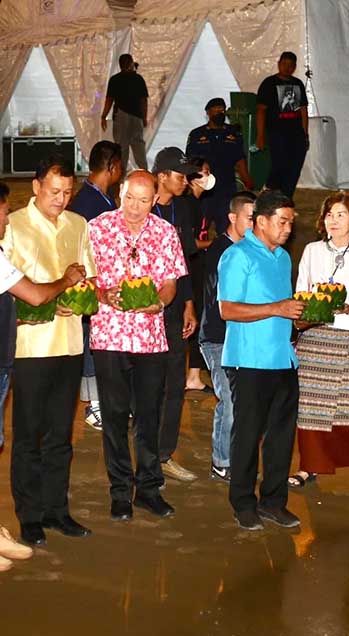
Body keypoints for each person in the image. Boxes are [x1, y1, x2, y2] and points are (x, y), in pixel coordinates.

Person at [1, 156, 97, 546]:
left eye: (67, 192)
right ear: (37, 186)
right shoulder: (12, 226)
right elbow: (8, 291)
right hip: (30, 347)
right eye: (54, 191)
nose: (61, 199)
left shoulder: (78, 224)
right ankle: (29, 515)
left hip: (70, 343)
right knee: (28, 435)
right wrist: (49, 300)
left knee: (62, 433)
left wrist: (80, 297)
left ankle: (58, 510)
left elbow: (88, 276)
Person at [89, 170, 186, 521]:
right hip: (109, 335)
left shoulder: (165, 232)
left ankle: (148, 489)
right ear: (120, 193)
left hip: (150, 337)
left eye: (144, 201)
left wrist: (160, 303)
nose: (135, 207)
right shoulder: (97, 228)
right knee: (114, 415)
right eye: (130, 198)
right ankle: (120, 492)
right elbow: (84, 278)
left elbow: (171, 283)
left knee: (149, 414)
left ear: (155, 200)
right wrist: (103, 294)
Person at [219, 190, 304, 531]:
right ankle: (242, 502)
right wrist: (277, 308)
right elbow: (228, 309)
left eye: (290, 223)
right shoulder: (237, 256)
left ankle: (273, 502)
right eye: (282, 222)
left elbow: (284, 310)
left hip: (283, 358)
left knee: (281, 437)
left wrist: (302, 316)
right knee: (247, 434)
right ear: (262, 221)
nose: (288, 229)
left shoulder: (282, 258)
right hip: (249, 360)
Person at [287, 191, 349, 489]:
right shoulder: (312, 250)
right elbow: (302, 291)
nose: (334, 220)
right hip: (315, 336)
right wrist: (311, 312)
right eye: (329, 215)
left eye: (341, 214)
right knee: (311, 403)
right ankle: (309, 465)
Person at [151, 148, 200, 483]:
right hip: (142, 309)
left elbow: (186, 265)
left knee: (173, 385)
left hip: (174, 310)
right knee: (146, 385)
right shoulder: (143, 207)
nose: (185, 181)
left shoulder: (183, 208)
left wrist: (189, 304)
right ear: (162, 176)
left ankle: (164, 454)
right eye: (180, 175)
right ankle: (144, 454)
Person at [200, 191, 256, 482]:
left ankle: (236, 458)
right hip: (218, 337)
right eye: (250, 218)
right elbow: (218, 303)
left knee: (244, 401)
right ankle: (221, 461)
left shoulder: (252, 249)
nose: (255, 224)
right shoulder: (220, 251)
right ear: (233, 218)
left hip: (244, 337)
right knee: (231, 400)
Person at [69, 140, 123, 431]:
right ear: (112, 166)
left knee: (98, 342)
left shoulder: (102, 198)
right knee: (91, 341)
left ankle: (102, 400)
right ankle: (94, 405)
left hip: (103, 282)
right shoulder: (87, 203)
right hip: (91, 282)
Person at [186, 97, 253, 235]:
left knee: (226, 227)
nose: (219, 114)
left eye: (222, 111)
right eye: (216, 111)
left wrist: (247, 180)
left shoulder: (233, 133)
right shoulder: (197, 134)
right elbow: (190, 163)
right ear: (208, 112)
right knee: (200, 226)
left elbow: (240, 159)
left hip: (226, 188)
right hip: (204, 189)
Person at [256, 52, 309, 199]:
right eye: (284, 64)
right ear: (279, 64)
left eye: (290, 65)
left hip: (296, 134)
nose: (287, 68)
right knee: (278, 166)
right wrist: (260, 136)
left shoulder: (298, 83)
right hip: (276, 133)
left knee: (295, 167)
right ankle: (268, 197)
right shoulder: (269, 83)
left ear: (294, 67)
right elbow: (260, 110)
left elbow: (303, 110)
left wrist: (305, 134)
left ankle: (286, 199)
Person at [183, 157, 214, 394]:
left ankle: (193, 375)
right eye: (204, 172)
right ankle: (189, 374)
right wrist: (213, 244)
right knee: (192, 316)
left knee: (199, 316)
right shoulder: (187, 205)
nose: (208, 177)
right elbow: (189, 242)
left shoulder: (197, 203)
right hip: (190, 267)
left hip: (198, 265)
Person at [101, 54, 149, 171]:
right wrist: (144, 118)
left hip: (121, 115)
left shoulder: (115, 80)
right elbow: (143, 100)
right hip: (136, 116)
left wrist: (104, 116)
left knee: (121, 147)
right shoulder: (138, 79)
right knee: (138, 146)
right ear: (131, 63)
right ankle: (145, 172)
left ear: (120, 65)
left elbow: (109, 100)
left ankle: (120, 175)